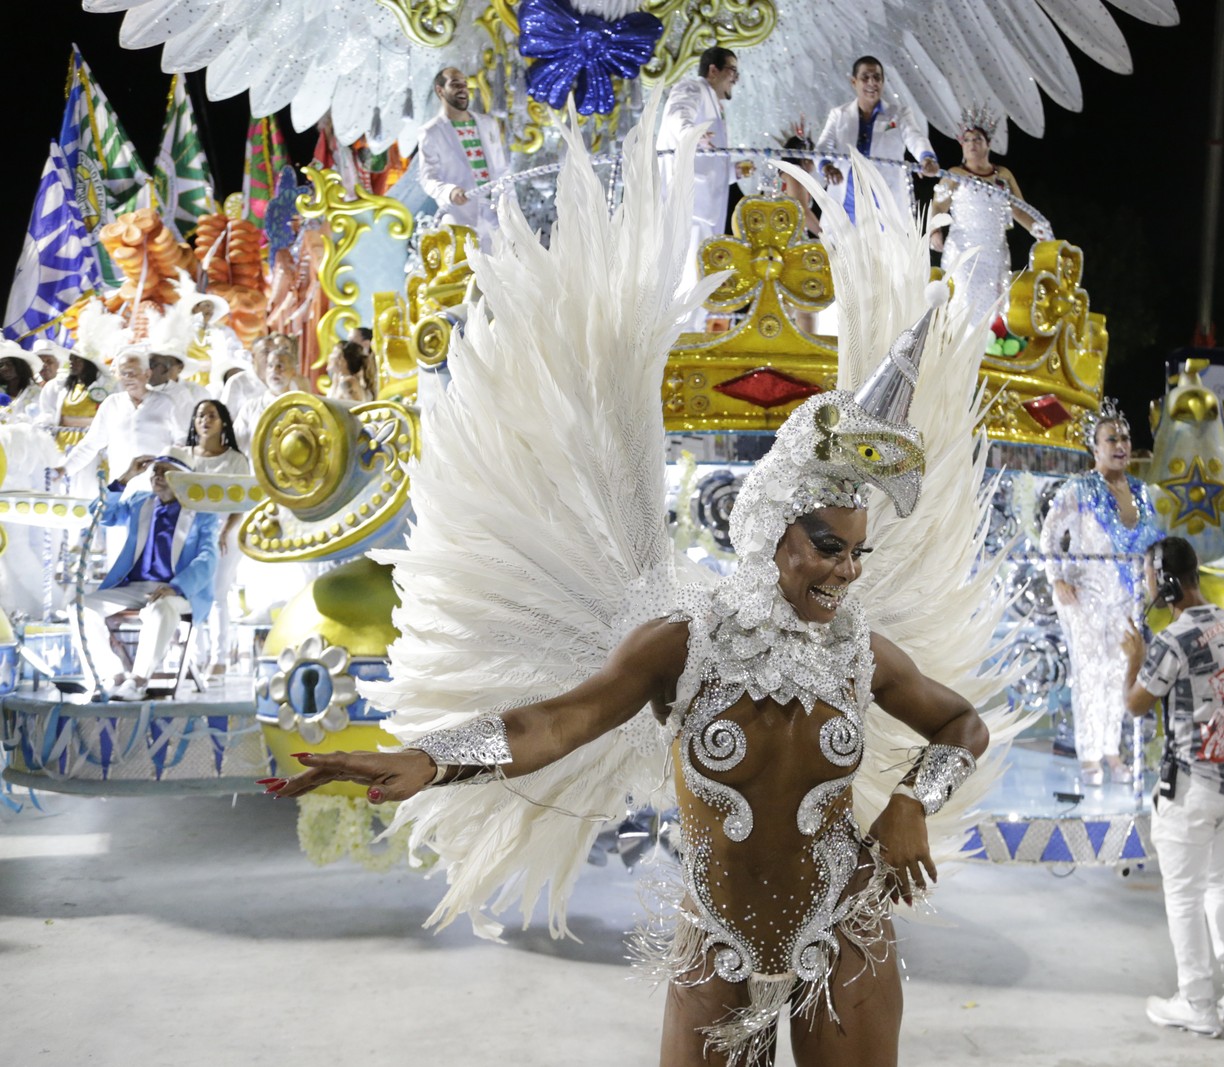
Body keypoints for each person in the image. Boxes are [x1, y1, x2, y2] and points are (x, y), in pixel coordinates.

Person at [264, 306, 996, 1066]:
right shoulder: (687, 641)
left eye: (858, 552)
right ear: (774, 527)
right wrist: (433, 759)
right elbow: (561, 721)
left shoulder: (860, 653)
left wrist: (912, 802)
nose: (846, 571)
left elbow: (962, 725)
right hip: (718, 942)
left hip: (845, 937)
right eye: (828, 547)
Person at [1122, 536, 1224, 1039]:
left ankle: (1198, 1004)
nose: (1147, 587)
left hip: (1192, 790)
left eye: (1149, 579)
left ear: (1165, 581)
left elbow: (1136, 703)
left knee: (1183, 895)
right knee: (1217, 880)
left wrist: (1133, 657)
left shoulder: (1172, 641)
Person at [1042, 398, 1161, 786]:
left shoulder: (1142, 492)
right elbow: (1049, 535)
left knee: (1119, 671)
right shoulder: (1078, 489)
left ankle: (1112, 750)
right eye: (1111, 439)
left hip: (1128, 598)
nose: (1120, 445)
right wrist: (1057, 577)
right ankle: (1089, 755)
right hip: (1086, 593)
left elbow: (1151, 548)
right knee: (1090, 674)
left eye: (1124, 437)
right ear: (1095, 448)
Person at [79, 454, 221, 701]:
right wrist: (125, 477)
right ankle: (115, 675)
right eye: (155, 471)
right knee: (80, 609)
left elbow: (208, 558)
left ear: (182, 478)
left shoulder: (200, 512)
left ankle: (138, 681)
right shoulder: (140, 503)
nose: (157, 476)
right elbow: (100, 514)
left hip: (178, 590)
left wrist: (176, 587)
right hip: (134, 587)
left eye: (165, 472)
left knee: (160, 608)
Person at [929, 106, 1039, 326]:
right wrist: (934, 230)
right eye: (967, 139)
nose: (972, 144)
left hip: (995, 253)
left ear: (988, 143)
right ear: (962, 145)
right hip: (964, 252)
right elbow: (938, 207)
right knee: (965, 304)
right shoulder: (955, 175)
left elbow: (1019, 209)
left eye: (977, 138)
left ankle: (986, 355)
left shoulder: (1003, 175)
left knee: (996, 309)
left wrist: (1040, 231)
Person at [657, 46, 745, 306]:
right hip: (690, 207)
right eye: (732, 70)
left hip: (706, 208)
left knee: (699, 281)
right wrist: (691, 133)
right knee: (685, 280)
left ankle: (693, 339)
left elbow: (707, 163)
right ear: (713, 70)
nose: (735, 78)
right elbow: (678, 115)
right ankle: (679, 343)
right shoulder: (692, 88)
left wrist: (733, 171)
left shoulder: (714, 106)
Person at [168, 400, 250, 675]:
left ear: (223, 422)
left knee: (217, 592)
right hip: (187, 531)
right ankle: (195, 655)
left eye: (211, 415)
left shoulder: (236, 460)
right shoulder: (183, 455)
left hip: (224, 529)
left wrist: (225, 531)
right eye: (200, 415)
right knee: (190, 590)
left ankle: (220, 656)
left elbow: (241, 500)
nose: (205, 420)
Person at [816, 56, 938, 223]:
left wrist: (927, 158)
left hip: (885, 202)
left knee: (886, 247)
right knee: (842, 247)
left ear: (883, 81)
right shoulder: (839, 115)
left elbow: (915, 137)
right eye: (865, 77)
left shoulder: (899, 114)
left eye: (877, 77)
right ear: (854, 82)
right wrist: (826, 167)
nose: (871, 83)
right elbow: (823, 147)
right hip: (847, 201)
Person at [61, 347, 185, 486]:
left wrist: (167, 463)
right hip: (121, 484)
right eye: (123, 374)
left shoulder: (166, 402)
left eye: (132, 373)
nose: (128, 378)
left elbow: (181, 440)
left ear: (147, 374)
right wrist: (64, 469)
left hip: (158, 487)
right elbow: (91, 443)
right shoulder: (112, 403)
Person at [414, 67, 509, 247]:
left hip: (497, 215)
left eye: (465, 85)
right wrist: (450, 192)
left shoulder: (488, 124)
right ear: (440, 90)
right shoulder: (431, 132)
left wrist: (510, 207)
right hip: (461, 219)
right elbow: (428, 179)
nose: (463, 89)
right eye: (455, 84)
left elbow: (502, 169)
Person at [148, 348, 209, 428]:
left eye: (168, 364)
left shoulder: (196, 391)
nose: (164, 369)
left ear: (180, 367)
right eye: (158, 365)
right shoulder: (146, 391)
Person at [0, 342, 43, 422]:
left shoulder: (36, 392)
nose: (4, 368)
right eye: (1, 365)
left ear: (20, 366)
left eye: (9, 363)